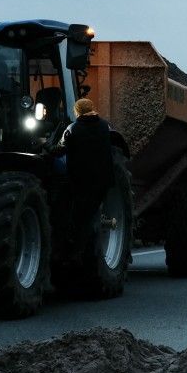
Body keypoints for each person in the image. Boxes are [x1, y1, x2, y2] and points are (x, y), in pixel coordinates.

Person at [53, 97, 116, 258]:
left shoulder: (72, 128)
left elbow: (60, 149)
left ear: (77, 111)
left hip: (81, 181)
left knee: (81, 219)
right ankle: (88, 250)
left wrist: (47, 149)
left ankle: (78, 253)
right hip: (103, 180)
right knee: (92, 214)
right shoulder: (105, 126)